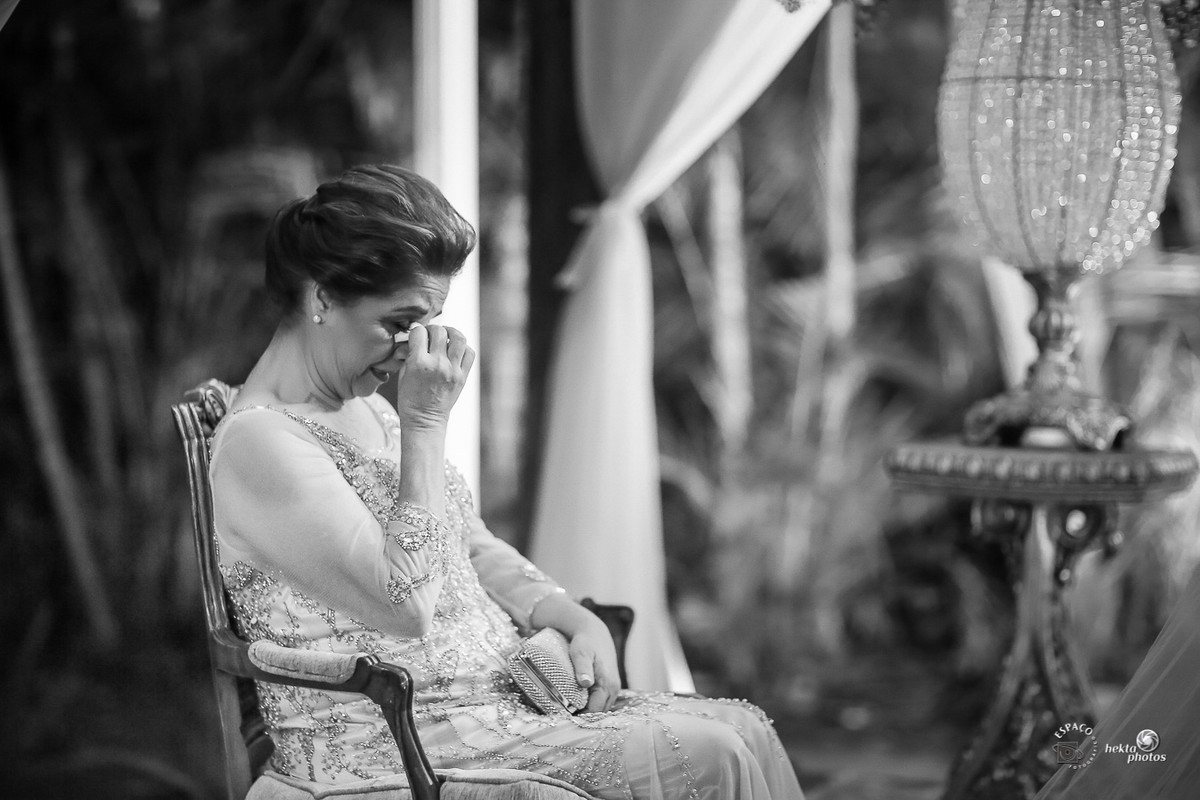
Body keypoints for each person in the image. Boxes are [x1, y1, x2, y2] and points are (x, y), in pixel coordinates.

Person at [209, 164, 805, 800]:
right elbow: (404, 604)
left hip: (496, 704)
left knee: (743, 728)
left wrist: (569, 614)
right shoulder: (261, 442)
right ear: (323, 297)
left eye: (428, 324)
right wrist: (427, 423)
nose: (415, 351)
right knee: (710, 755)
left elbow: (467, 542)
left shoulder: (365, 405)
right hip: (394, 738)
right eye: (399, 324)